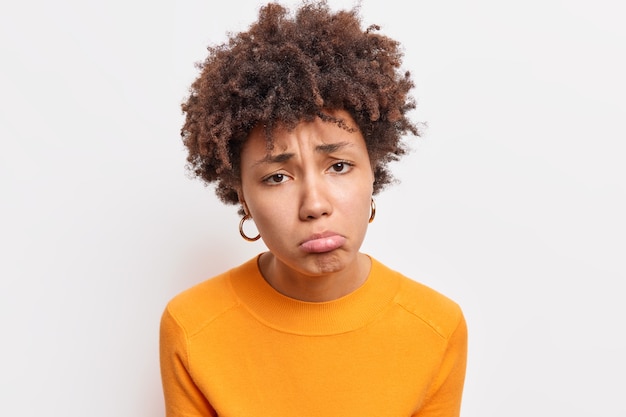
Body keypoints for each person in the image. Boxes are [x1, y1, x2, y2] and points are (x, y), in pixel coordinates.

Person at [159, 1, 467, 416]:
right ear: (242, 196)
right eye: (276, 177)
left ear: (373, 170)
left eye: (339, 166)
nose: (315, 206)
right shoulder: (193, 327)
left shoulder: (435, 326)